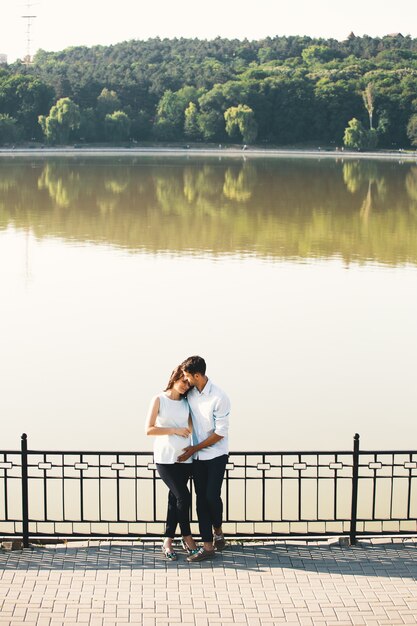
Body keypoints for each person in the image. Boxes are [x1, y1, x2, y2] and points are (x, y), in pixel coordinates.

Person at [177, 355, 231, 563]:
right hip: (197, 456)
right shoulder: (190, 394)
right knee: (200, 500)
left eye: (187, 377)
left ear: (197, 375)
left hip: (216, 454)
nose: (186, 380)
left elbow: (220, 433)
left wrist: (194, 448)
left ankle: (218, 529)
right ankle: (208, 546)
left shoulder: (219, 397)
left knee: (211, 496)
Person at [145, 365, 199, 560]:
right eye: (183, 381)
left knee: (174, 500)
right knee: (184, 497)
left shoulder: (187, 403)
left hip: (184, 458)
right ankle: (188, 538)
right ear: (175, 377)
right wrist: (174, 430)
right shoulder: (159, 399)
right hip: (165, 458)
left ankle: (167, 541)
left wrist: (194, 448)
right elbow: (149, 429)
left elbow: (193, 428)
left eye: (188, 384)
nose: (186, 386)